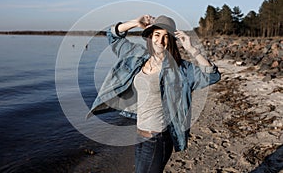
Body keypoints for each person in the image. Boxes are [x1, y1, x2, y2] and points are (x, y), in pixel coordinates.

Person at [88, 15, 221, 172]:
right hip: (140, 133)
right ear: (150, 37)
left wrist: (192, 50)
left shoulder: (181, 69)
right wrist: (134, 23)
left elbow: (212, 76)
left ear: (171, 40)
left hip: (158, 137)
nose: (161, 40)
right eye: (157, 35)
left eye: (166, 37)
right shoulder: (137, 56)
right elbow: (113, 36)